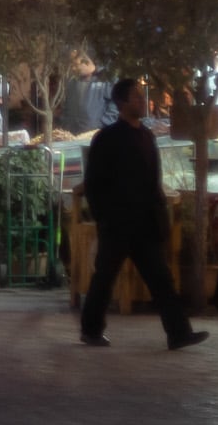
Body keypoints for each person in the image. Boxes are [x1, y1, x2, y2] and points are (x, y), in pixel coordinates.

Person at [80, 78, 209, 351]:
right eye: (136, 97)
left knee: (161, 280)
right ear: (122, 103)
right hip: (117, 224)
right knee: (105, 278)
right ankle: (91, 329)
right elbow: (94, 183)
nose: (142, 101)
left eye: (142, 96)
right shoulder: (108, 138)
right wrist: (105, 216)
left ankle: (179, 333)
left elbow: (153, 180)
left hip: (145, 224)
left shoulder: (147, 136)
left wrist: (158, 214)